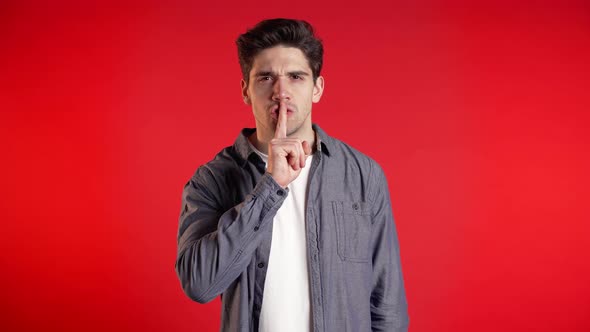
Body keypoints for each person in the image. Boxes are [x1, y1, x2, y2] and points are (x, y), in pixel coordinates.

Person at [175, 18, 409, 332]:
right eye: (265, 77)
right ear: (246, 90)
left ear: (317, 88)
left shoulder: (363, 175)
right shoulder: (213, 179)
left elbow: (387, 305)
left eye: (296, 77)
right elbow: (200, 284)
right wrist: (270, 185)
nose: (281, 92)